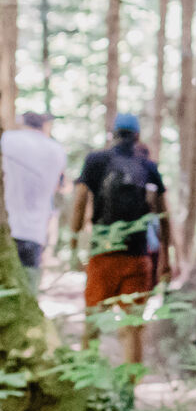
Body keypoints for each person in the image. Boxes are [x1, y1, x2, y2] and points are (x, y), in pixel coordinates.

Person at [72, 112, 172, 366]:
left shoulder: (96, 161)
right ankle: (130, 391)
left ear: (113, 134)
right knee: (133, 328)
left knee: (93, 321)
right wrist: (165, 259)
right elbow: (164, 215)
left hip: (102, 253)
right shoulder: (148, 166)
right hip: (138, 257)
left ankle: (87, 379)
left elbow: (80, 202)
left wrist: (74, 244)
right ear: (137, 136)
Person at [4, 112, 65, 291]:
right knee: (28, 290)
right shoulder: (57, 150)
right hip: (34, 233)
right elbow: (60, 185)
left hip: (7, 227)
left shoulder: (7, 139)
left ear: (22, 123)